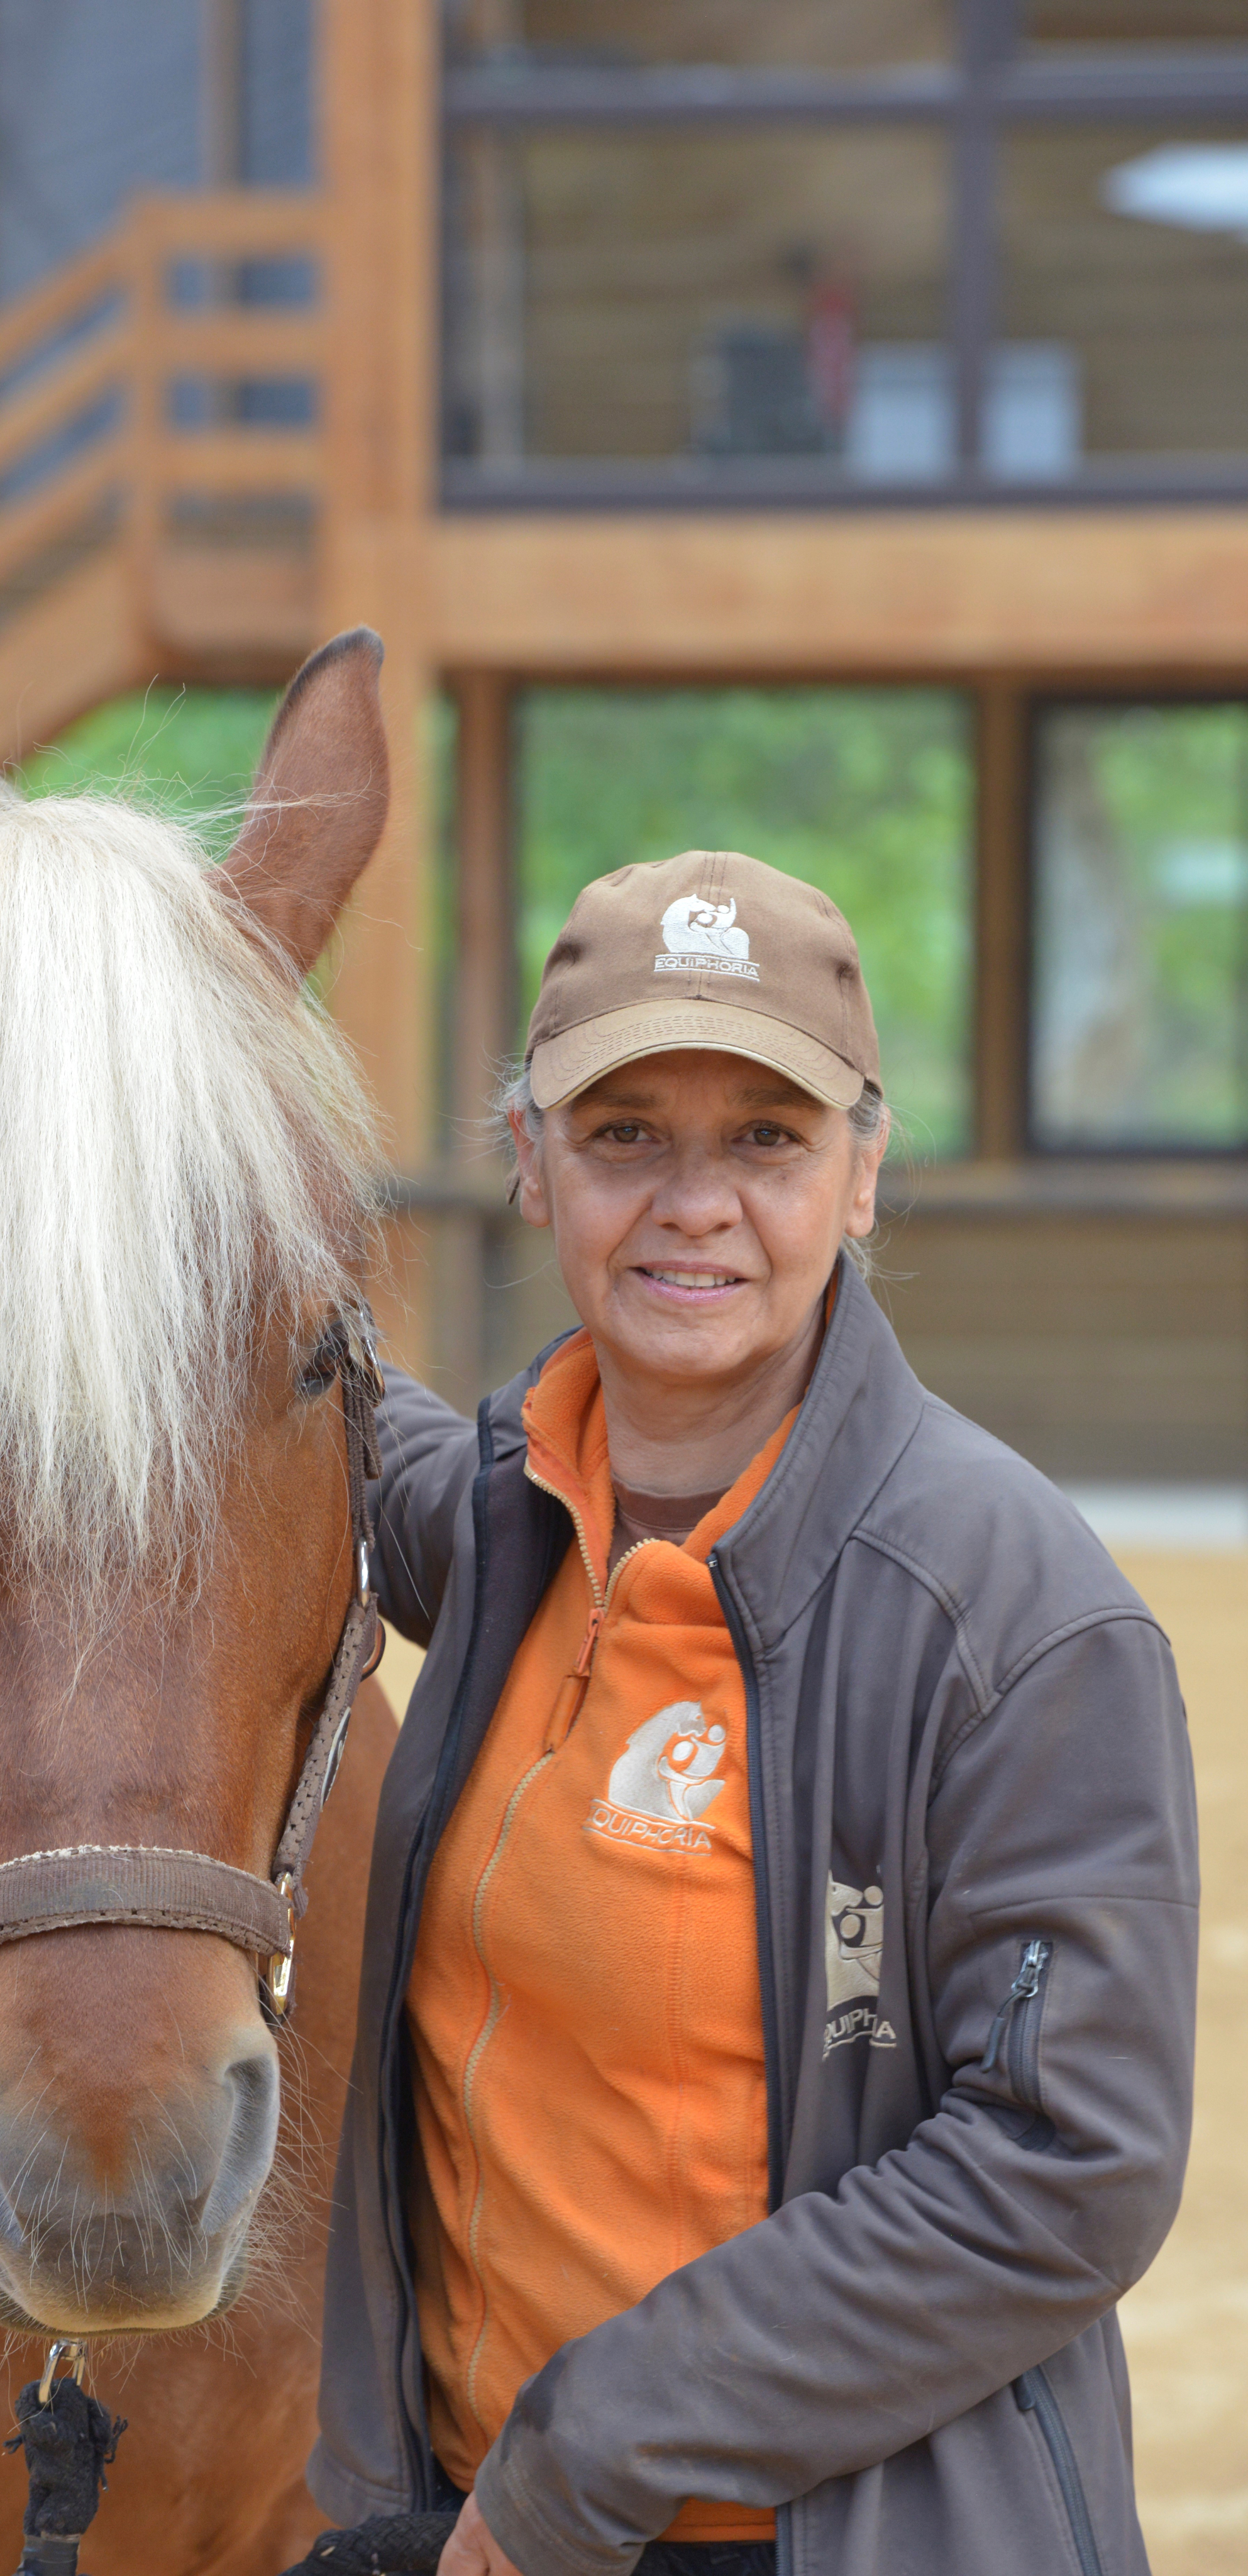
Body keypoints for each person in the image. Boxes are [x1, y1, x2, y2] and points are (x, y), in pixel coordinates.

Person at [309, 850, 1197, 2576]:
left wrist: (588, 2457)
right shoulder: (509, 1516)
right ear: (529, 1165)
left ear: (863, 1175)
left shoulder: (1015, 1617)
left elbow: (1064, 2169)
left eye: (767, 1141)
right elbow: (328, 1409)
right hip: (474, 2519)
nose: (692, 1203)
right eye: (625, 1133)